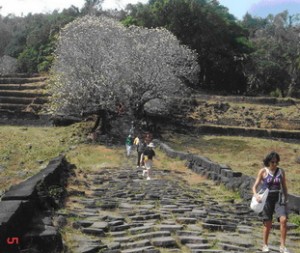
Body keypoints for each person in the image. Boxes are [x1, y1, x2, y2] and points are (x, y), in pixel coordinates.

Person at [252, 151, 289, 253]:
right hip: (267, 198)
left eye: (276, 162)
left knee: (283, 219)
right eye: (273, 162)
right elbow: (254, 186)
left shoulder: (281, 172)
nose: (275, 164)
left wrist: (286, 198)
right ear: (268, 161)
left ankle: (282, 246)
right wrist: (256, 195)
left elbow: (284, 186)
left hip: (278, 197)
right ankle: (265, 245)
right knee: (267, 223)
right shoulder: (263, 171)